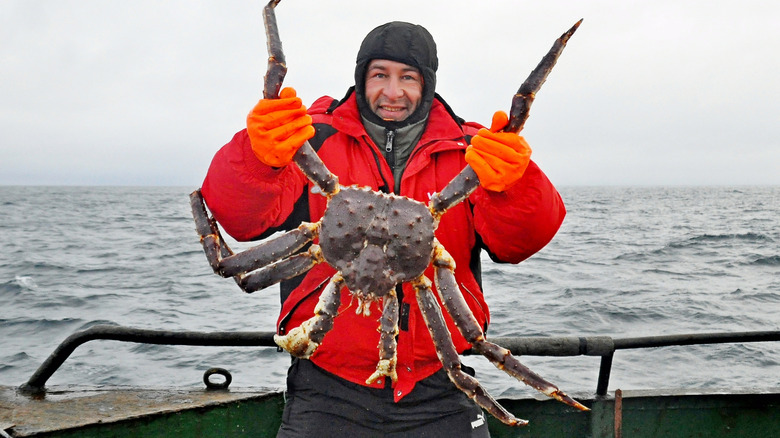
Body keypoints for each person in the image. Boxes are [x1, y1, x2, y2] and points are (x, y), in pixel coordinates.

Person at [201, 21, 565, 437]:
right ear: (362, 78)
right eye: (380, 75)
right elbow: (240, 219)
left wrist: (514, 186)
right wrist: (257, 156)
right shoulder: (309, 138)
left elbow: (522, 241)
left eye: (407, 78)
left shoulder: (474, 154)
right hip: (324, 387)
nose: (393, 92)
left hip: (438, 384)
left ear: (426, 84)